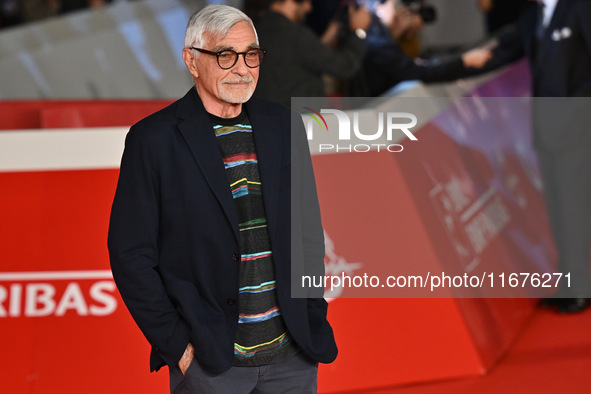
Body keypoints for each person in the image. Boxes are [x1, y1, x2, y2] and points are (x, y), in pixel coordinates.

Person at [108, 4, 337, 393]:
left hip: (293, 357)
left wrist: (312, 311)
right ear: (192, 61)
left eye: (251, 55)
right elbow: (131, 255)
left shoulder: (283, 124)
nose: (242, 68)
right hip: (211, 365)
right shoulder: (153, 140)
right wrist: (178, 347)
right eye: (226, 55)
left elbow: (307, 232)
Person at [469, 0, 591, 313]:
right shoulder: (530, 16)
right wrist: (440, 68)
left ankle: (578, 286)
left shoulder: (579, 8)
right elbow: (501, 53)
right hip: (547, 131)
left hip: (578, 130)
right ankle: (569, 283)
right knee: (559, 210)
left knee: (574, 209)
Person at [346, 0, 493, 97]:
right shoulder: (376, 40)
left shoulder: (379, 34)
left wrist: (399, 33)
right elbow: (416, 72)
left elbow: (408, 61)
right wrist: (463, 62)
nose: (402, 10)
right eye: (396, 4)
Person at [253, 0, 371, 107]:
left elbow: (298, 58)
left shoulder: (257, 30)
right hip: (299, 121)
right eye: (307, 2)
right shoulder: (296, 36)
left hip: (270, 118)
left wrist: (325, 39)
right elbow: (345, 66)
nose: (309, 8)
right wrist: (358, 31)